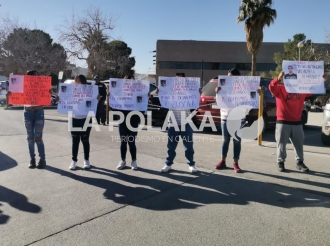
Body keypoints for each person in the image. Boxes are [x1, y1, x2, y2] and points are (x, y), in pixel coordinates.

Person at [269, 71, 326, 172]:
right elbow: (271, 88)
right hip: (283, 121)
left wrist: (321, 80)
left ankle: (299, 163)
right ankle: (280, 162)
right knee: (281, 143)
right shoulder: (280, 88)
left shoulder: (301, 90)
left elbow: (312, 89)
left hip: (297, 121)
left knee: (299, 143)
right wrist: (278, 79)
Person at [8, 70, 52, 169]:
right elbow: (15, 97)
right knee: (30, 138)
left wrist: (49, 93)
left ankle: (42, 159)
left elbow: (48, 100)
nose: (34, 79)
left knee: (38, 137)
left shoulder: (43, 85)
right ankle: (32, 159)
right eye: (32, 77)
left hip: (39, 111)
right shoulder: (23, 85)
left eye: (36, 77)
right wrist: (10, 95)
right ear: (27, 78)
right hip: (27, 111)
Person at [158, 72, 199, 173]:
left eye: (180, 80)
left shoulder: (190, 91)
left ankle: (191, 164)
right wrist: (160, 92)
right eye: (176, 80)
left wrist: (198, 93)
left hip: (186, 122)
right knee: (171, 145)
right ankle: (168, 164)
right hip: (173, 122)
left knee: (189, 145)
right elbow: (162, 99)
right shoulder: (169, 91)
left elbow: (195, 101)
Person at [110, 75, 148, 171]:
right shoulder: (120, 94)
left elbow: (143, 109)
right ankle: (123, 160)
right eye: (126, 83)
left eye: (131, 82)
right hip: (122, 120)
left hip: (134, 120)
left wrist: (146, 98)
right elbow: (113, 107)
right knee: (123, 141)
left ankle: (134, 161)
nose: (129, 85)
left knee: (131, 142)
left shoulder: (138, 93)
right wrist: (109, 97)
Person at [67, 75, 101, 170]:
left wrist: (97, 99)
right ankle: (74, 161)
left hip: (86, 119)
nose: (77, 83)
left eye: (79, 81)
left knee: (85, 140)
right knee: (75, 141)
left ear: (83, 82)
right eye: (75, 81)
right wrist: (59, 99)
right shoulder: (71, 90)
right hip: (74, 118)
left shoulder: (89, 91)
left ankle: (86, 160)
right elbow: (64, 100)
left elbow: (93, 103)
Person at [214, 68, 244, 173]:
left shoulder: (243, 87)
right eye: (228, 76)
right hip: (225, 117)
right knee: (225, 140)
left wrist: (257, 93)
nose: (229, 79)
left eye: (231, 77)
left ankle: (236, 163)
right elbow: (218, 102)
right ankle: (223, 161)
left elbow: (250, 99)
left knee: (236, 141)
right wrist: (217, 93)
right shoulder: (223, 87)